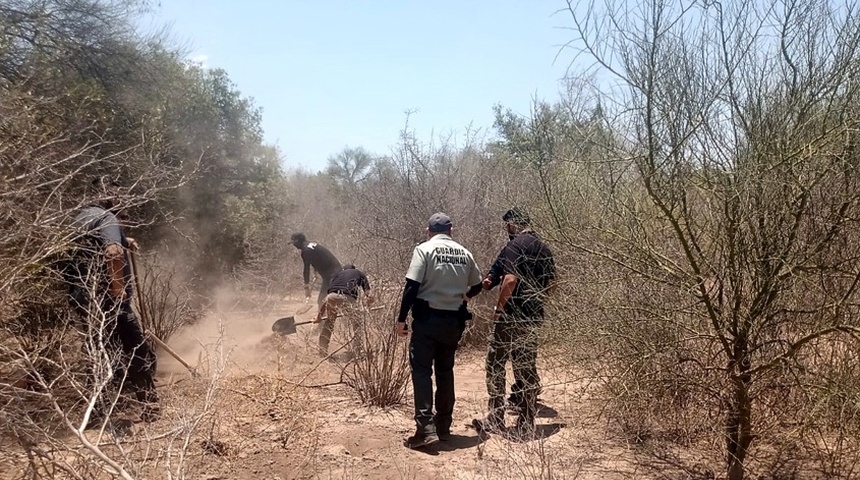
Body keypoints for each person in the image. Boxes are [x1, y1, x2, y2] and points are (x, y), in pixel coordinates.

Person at [67, 178, 159, 426]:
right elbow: (112, 253)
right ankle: (149, 406)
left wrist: (123, 238)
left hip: (84, 301)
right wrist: (119, 293)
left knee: (99, 352)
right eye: (120, 199)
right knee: (138, 351)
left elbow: (89, 245)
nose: (124, 204)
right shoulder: (108, 218)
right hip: (110, 303)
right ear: (110, 200)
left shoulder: (80, 218)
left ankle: (97, 414)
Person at [396, 213, 483, 449]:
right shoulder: (464, 253)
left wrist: (401, 319)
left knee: (422, 371)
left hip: (427, 320)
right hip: (453, 322)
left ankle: (425, 429)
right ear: (451, 231)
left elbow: (412, 286)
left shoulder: (424, 250)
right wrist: (467, 296)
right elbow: (477, 284)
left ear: (428, 231)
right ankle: (443, 425)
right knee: (445, 371)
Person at [473, 208, 555, 437]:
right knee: (525, 368)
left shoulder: (515, 246)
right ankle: (527, 420)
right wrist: (538, 303)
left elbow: (510, 279)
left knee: (496, 365)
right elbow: (554, 282)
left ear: (512, 225)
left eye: (507, 226)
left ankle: (496, 418)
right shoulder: (544, 248)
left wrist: (499, 310)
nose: (507, 230)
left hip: (511, 318)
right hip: (532, 318)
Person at [314, 264, 374, 357]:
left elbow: (326, 299)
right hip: (348, 298)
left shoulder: (338, 275)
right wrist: (367, 307)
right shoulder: (359, 273)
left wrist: (319, 317)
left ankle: (322, 350)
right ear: (354, 269)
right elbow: (369, 295)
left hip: (332, 297)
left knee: (329, 322)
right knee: (357, 324)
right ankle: (357, 351)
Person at [290, 232, 342, 306]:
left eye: (294, 243)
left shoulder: (306, 251)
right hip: (336, 271)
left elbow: (306, 269)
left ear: (298, 241)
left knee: (322, 300)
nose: (294, 245)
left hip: (332, 275)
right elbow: (318, 258)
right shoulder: (312, 244)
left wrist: (306, 287)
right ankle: (326, 316)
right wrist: (315, 272)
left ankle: (324, 317)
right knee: (326, 300)